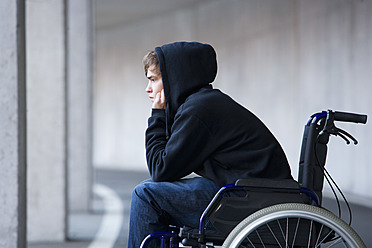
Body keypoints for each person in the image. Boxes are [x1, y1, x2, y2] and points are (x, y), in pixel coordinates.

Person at [128, 41, 292, 248]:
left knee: (146, 195)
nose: (148, 89)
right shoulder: (202, 103)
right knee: (150, 189)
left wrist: (158, 114)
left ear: (172, 80)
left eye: (153, 80)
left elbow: (160, 169)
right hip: (250, 191)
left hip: (250, 200)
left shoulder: (199, 110)